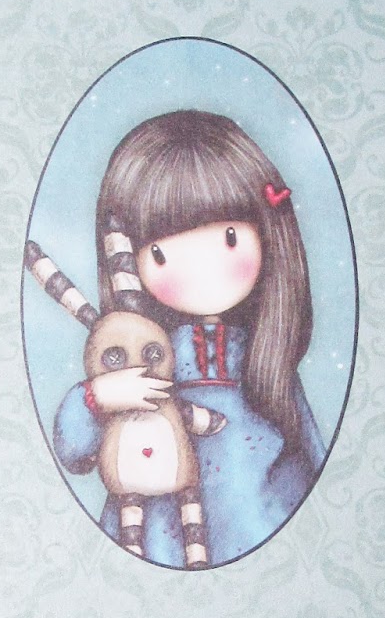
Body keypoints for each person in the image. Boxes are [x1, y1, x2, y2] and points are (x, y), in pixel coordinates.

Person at [53, 109, 326, 567]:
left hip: (268, 537)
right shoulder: (143, 355)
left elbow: (312, 457)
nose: (202, 270)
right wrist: (99, 396)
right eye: (161, 253)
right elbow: (74, 451)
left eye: (230, 238)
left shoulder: (263, 361)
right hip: (155, 543)